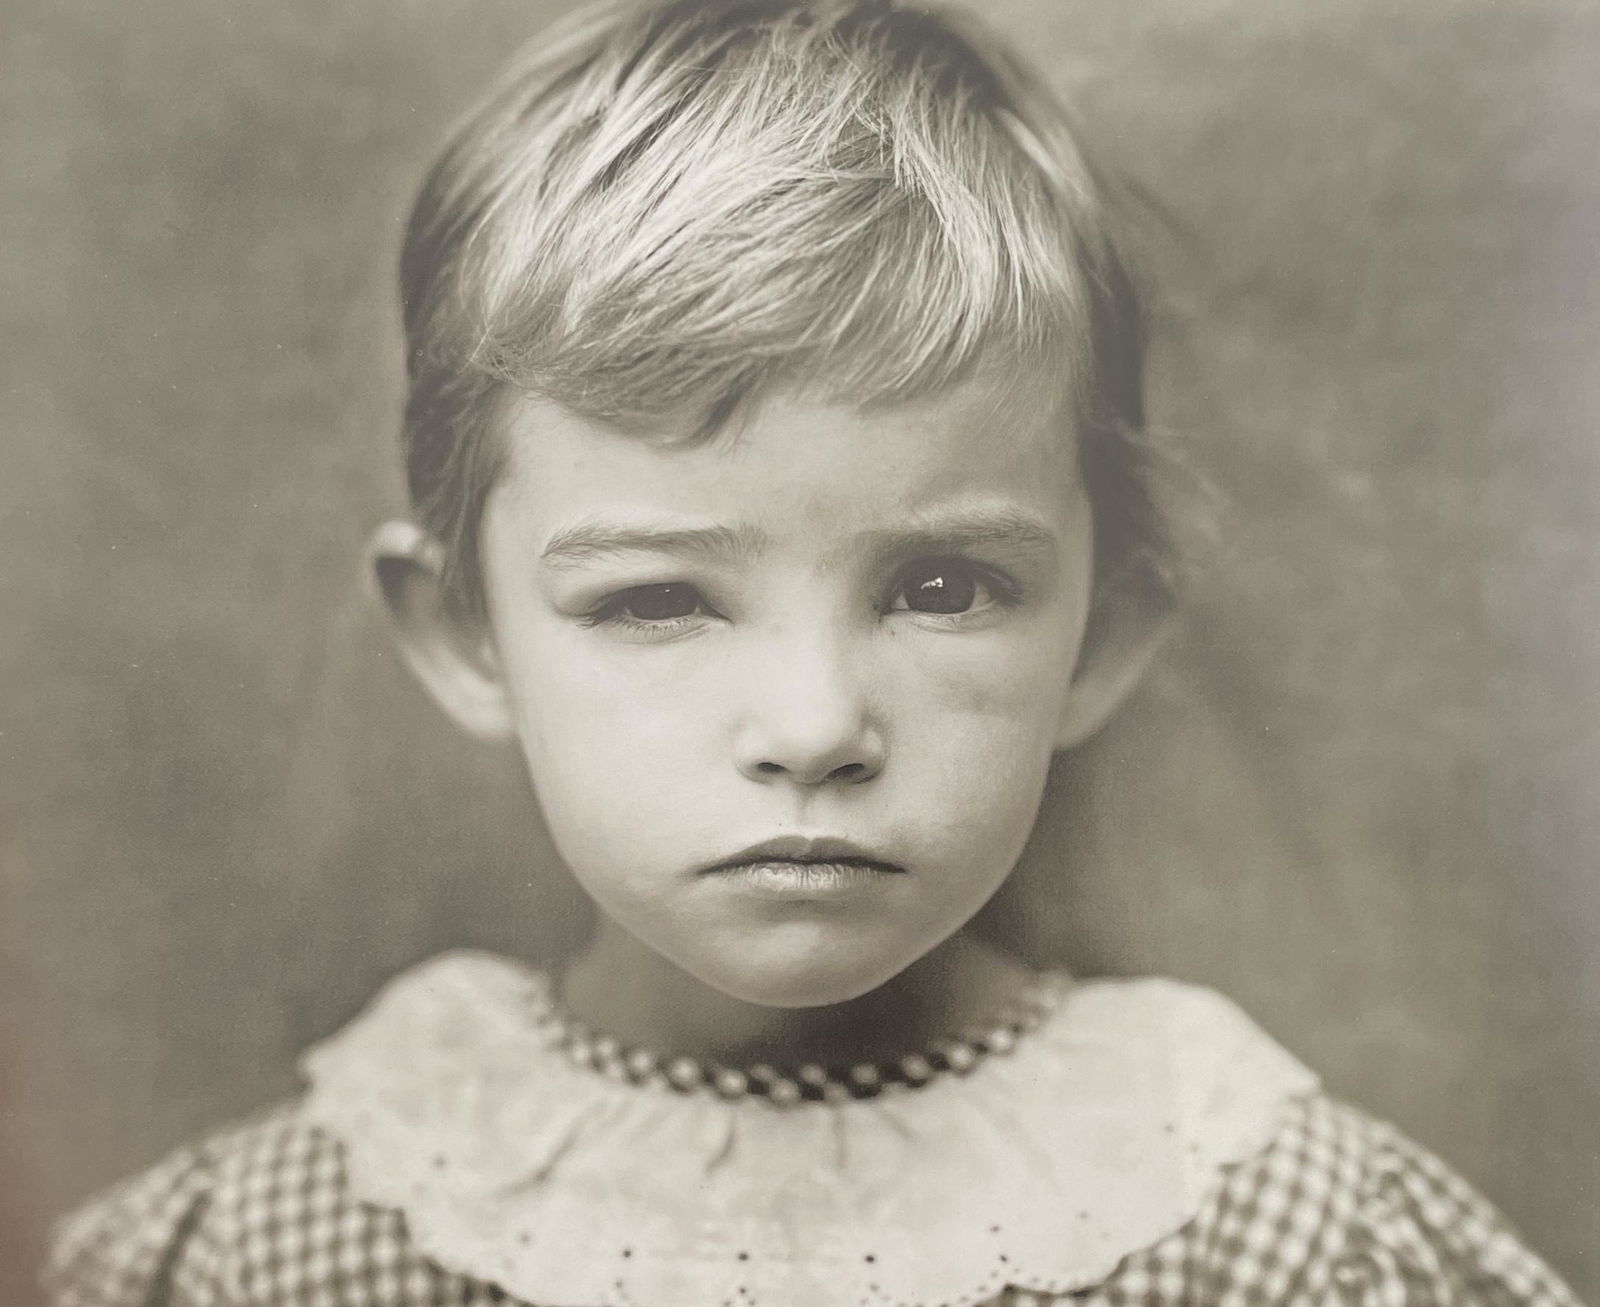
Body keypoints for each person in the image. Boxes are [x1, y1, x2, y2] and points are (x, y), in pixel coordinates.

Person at [42, 1, 1582, 1304]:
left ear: (1102, 637)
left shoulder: (1268, 1225)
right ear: (465, 635)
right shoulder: (282, 1243)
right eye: (657, 601)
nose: (815, 722)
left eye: (942, 585)